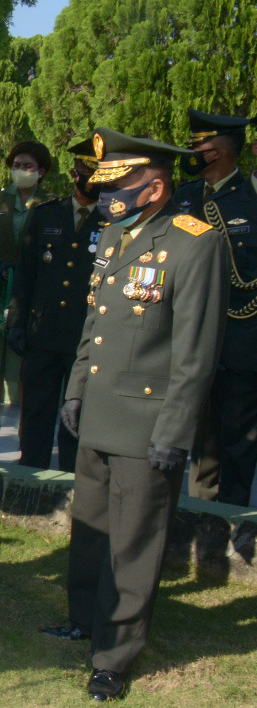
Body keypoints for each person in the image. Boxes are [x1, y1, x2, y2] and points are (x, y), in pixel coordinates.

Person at [48, 128, 227, 701]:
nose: (105, 195)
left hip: (147, 423)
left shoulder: (193, 243)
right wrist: (75, 391)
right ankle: (84, 618)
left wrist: (174, 431)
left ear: (154, 185)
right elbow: (94, 326)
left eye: (118, 184)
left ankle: (115, 654)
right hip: (100, 412)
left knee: (134, 543)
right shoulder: (114, 238)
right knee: (93, 528)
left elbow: (196, 354)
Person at [6, 138, 103, 473]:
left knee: (76, 418)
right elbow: (26, 277)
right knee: (36, 414)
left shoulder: (111, 221)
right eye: (85, 170)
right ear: (75, 172)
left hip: (84, 338)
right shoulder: (47, 214)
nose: (90, 179)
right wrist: (16, 324)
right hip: (42, 332)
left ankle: (73, 487)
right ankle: (30, 480)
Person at [176, 110, 257, 506]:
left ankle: (232, 522)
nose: (191, 153)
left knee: (238, 443)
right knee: (199, 441)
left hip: (240, 341)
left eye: (198, 147)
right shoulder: (185, 196)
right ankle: (198, 512)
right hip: (190, 339)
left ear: (220, 151)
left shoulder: (251, 198)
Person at [0, 140, 54, 445]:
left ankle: (24, 429)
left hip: (31, 295)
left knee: (23, 368)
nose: (21, 171)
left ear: (41, 171)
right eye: (17, 165)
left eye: (28, 166)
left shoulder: (50, 203)